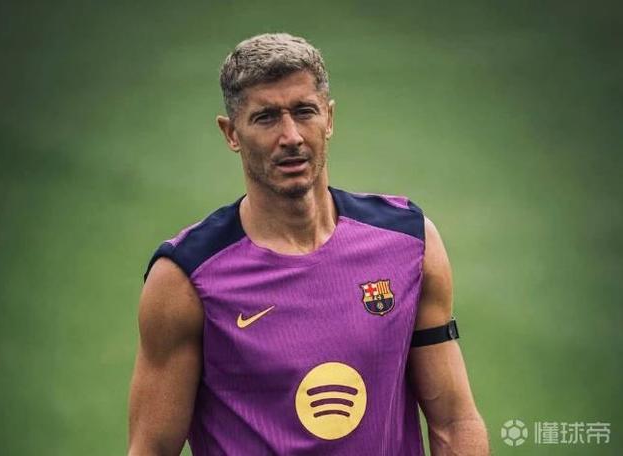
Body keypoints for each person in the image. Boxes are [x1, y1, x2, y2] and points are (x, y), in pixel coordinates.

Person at [128, 33, 489, 455]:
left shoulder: (409, 243)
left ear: (329, 118)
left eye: (304, 112)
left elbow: (455, 422)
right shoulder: (186, 277)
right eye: (266, 118)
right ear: (231, 133)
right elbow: (150, 449)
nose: (291, 136)